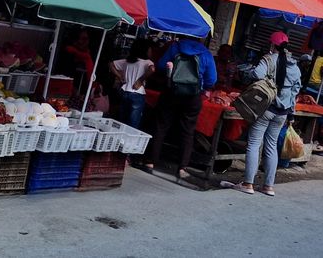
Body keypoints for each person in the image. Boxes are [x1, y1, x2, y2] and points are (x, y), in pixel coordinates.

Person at [233, 32, 301, 197]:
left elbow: (257, 75)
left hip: (267, 109)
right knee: (271, 147)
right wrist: (290, 113)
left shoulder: (269, 59)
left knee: (254, 144)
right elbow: (295, 92)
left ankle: (248, 183)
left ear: (272, 45)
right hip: (282, 113)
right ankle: (268, 186)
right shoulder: (295, 67)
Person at [143, 37, 217, 180]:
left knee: (161, 125)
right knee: (188, 131)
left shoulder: (175, 47)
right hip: (193, 96)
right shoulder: (206, 54)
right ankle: (182, 168)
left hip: (171, 91)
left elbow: (161, 65)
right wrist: (202, 87)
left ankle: (151, 161)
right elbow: (211, 80)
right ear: (203, 38)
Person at [110, 38, 154, 130]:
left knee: (122, 120)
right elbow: (152, 69)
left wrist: (120, 76)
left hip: (124, 92)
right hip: (137, 94)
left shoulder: (127, 61)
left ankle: (120, 140)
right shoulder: (147, 62)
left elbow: (111, 64)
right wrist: (140, 80)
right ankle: (130, 142)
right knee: (133, 123)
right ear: (145, 50)